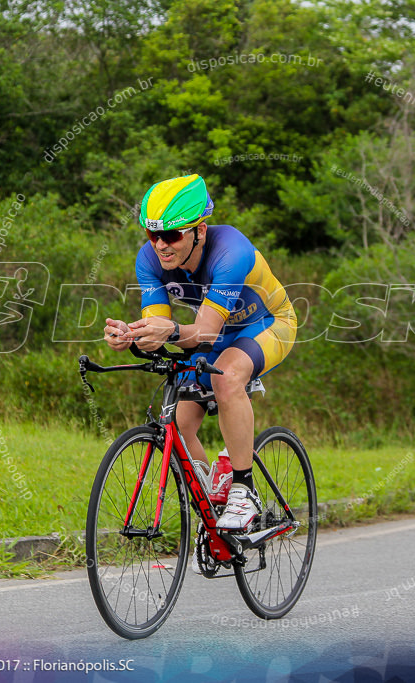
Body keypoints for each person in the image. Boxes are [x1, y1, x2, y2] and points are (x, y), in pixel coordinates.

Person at [103, 174, 297, 530]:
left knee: (227, 379)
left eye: (172, 235)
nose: (161, 245)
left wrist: (172, 331)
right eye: (153, 234)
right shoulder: (148, 261)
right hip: (215, 333)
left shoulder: (231, 252)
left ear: (200, 231)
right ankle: (210, 497)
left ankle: (244, 489)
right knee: (177, 421)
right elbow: (159, 329)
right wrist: (131, 337)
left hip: (268, 324)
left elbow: (201, 331)